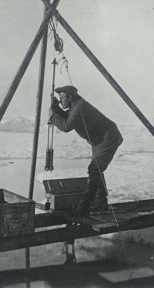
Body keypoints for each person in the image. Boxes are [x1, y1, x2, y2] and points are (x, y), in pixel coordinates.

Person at [49, 85, 123, 216]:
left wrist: (53, 116)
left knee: (95, 169)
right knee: (96, 170)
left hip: (109, 138)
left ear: (70, 97)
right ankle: (100, 204)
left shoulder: (79, 108)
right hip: (99, 140)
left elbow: (66, 126)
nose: (61, 101)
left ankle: (85, 205)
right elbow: (68, 117)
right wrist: (56, 109)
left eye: (62, 98)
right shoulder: (76, 106)